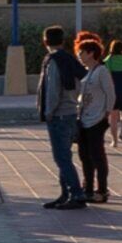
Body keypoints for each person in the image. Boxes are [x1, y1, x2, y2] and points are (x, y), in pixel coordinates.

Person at [36, 36, 89, 208]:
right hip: (71, 112)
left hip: (59, 115)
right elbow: (82, 82)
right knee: (64, 155)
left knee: (61, 157)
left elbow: (52, 89)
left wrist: (48, 111)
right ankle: (65, 193)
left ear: (45, 41)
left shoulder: (53, 61)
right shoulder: (70, 59)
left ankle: (75, 193)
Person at [71, 35, 115, 202]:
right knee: (84, 155)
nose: (79, 56)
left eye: (81, 52)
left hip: (97, 119)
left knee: (97, 155)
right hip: (84, 119)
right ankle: (87, 187)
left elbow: (110, 93)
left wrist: (107, 112)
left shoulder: (101, 71)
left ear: (91, 53)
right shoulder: (88, 73)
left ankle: (102, 190)